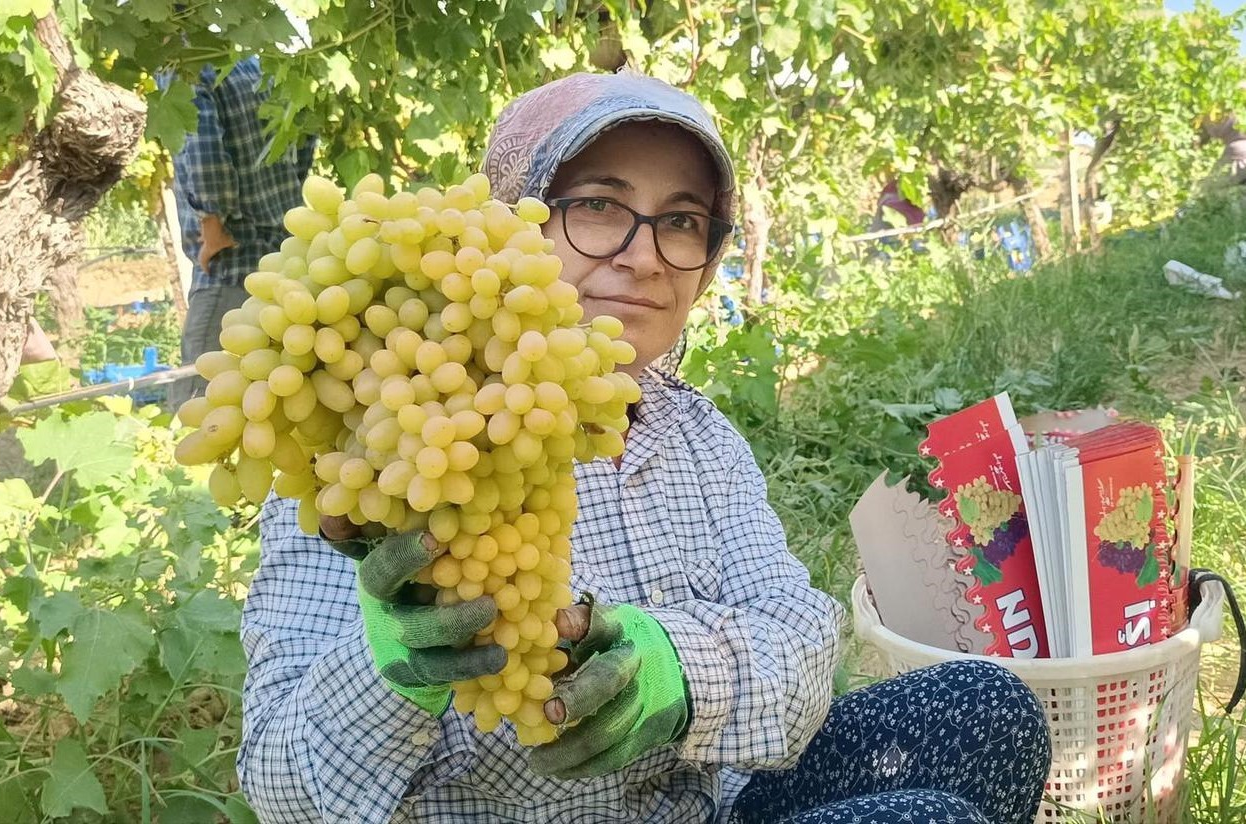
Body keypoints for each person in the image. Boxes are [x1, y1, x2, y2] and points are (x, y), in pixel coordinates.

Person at [236, 71, 1050, 824]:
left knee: (988, 708)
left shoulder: (697, 438)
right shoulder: (380, 458)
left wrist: (676, 675)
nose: (643, 255)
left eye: (682, 222)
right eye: (597, 205)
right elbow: (284, 790)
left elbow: (800, 640)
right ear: (503, 228)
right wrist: (392, 674)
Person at [163, 55, 314, 405]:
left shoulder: (180, 64)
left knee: (201, 407)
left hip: (231, 262)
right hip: (285, 264)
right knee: (272, 398)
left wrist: (212, 225)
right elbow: (305, 135)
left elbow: (200, 147)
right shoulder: (251, 62)